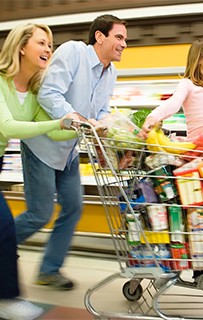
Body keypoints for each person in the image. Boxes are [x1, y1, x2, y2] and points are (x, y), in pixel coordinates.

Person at [14, 14, 128, 291]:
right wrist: (79, 119)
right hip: (42, 145)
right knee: (39, 215)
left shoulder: (110, 72)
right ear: (100, 36)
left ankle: (49, 270)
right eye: (119, 37)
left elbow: (100, 112)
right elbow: (49, 94)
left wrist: (110, 132)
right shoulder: (73, 52)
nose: (124, 44)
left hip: (70, 150)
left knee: (73, 207)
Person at [142, 38, 203, 294]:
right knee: (186, 214)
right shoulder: (187, 85)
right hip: (192, 158)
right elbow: (172, 103)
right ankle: (174, 267)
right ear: (199, 59)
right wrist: (153, 118)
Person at [0, 23, 77, 320]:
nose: (49, 49)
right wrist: (58, 123)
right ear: (21, 46)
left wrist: (85, 127)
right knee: (6, 228)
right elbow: (8, 127)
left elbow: (53, 135)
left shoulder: (33, 92)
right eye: (42, 43)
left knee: (4, 230)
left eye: (50, 44)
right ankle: (8, 300)